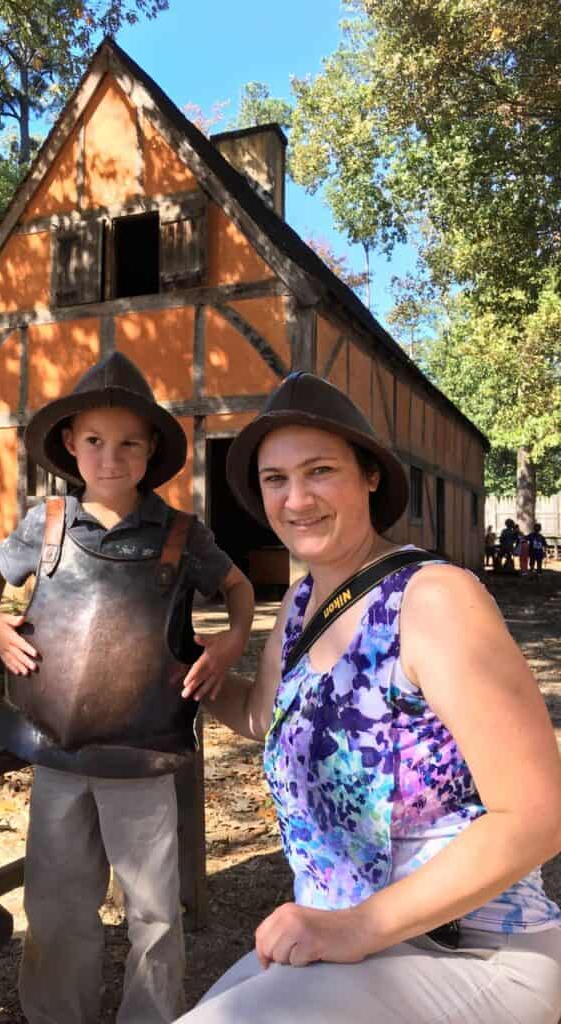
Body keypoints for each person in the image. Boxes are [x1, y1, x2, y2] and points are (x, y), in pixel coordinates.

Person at [176, 372, 561, 1024]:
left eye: (320, 470)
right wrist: (183, 664)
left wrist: (356, 927)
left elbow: (536, 815)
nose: (296, 499)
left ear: (370, 477)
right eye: (275, 479)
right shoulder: (301, 606)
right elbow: (260, 716)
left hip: (472, 948)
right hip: (347, 942)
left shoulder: (432, 598)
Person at [0, 352, 254, 1024]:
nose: (110, 456)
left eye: (129, 442)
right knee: (55, 905)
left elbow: (239, 586)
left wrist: (232, 639)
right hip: (56, 752)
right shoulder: (44, 525)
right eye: (95, 441)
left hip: (142, 754)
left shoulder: (180, 534)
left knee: (155, 911)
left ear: (152, 448)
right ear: (70, 445)